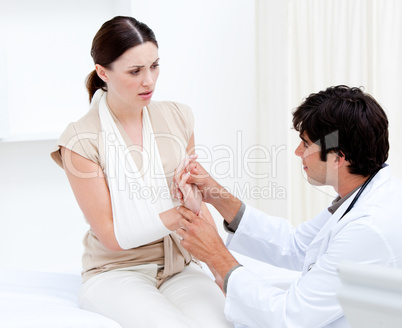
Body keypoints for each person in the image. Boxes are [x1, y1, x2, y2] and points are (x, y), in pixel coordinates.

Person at [50, 16, 232, 328]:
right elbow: (111, 236)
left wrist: (219, 268)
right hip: (116, 272)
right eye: (135, 71)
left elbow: (196, 199)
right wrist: (180, 212)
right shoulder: (80, 141)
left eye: (154, 66)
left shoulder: (177, 117)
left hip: (179, 266)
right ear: (102, 72)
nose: (149, 80)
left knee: (222, 322)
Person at [173, 85, 402, 328]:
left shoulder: (368, 227)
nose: (297, 152)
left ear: (338, 157)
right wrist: (218, 196)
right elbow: (296, 245)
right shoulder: (363, 195)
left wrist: (216, 255)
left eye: (305, 144)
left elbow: (289, 318)